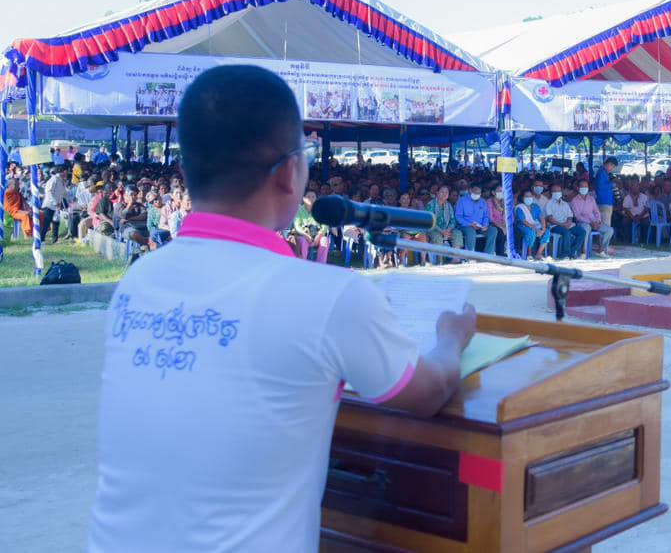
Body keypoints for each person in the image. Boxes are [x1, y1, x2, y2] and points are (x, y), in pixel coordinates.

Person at [89, 64, 476, 551]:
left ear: (186, 173)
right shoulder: (328, 295)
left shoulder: (138, 282)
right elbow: (428, 392)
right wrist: (451, 337)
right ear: (292, 172)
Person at [571, 182, 614, 257]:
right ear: (578, 188)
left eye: (586, 187)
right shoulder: (574, 201)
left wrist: (598, 221)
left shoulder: (591, 199)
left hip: (594, 222)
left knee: (609, 230)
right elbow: (578, 216)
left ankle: (602, 250)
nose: (584, 188)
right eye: (582, 187)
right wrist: (590, 223)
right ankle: (583, 251)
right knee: (586, 228)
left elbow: (596, 211)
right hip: (582, 223)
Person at [455, 184, 497, 255]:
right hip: (466, 226)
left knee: (493, 230)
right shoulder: (462, 200)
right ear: (470, 190)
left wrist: (485, 225)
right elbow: (458, 216)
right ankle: (470, 255)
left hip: (480, 226)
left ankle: (488, 254)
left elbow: (486, 216)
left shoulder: (483, 202)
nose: (477, 194)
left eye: (479, 193)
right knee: (471, 231)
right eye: (475, 192)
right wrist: (470, 224)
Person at [543, 186, 583, 258]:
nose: (557, 193)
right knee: (566, 232)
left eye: (558, 191)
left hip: (567, 224)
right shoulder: (548, 204)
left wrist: (568, 223)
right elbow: (550, 219)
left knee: (582, 232)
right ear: (551, 193)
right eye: (555, 191)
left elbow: (570, 216)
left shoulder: (565, 204)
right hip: (555, 226)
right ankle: (565, 254)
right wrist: (562, 224)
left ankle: (572, 252)